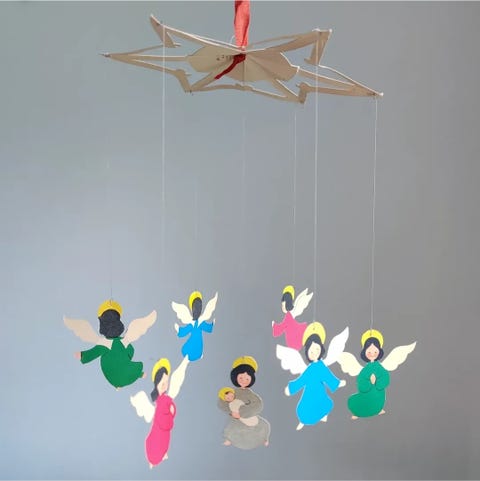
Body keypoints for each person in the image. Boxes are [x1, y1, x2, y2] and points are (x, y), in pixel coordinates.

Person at [285, 322, 345, 430]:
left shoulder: (321, 366)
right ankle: (303, 420)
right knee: (305, 407)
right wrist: (291, 388)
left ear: (321, 349)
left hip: (320, 391)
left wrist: (338, 383)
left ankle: (322, 415)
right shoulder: (309, 369)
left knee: (323, 403)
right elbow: (302, 380)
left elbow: (328, 377)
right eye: (311, 351)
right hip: (309, 392)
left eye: (317, 349)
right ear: (307, 352)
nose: (314, 352)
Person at [217, 356, 270, 449]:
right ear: (235, 377)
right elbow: (221, 402)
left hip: (248, 416)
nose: (243, 381)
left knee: (264, 425)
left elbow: (258, 404)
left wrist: (242, 412)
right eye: (241, 378)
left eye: (247, 379)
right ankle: (229, 439)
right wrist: (231, 412)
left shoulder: (250, 394)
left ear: (251, 379)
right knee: (232, 428)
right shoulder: (232, 392)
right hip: (236, 418)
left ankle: (264, 438)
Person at [347, 332, 390, 419]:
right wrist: (369, 382)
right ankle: (360, 412)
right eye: (369, 351)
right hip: (366, 395)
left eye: (375, 351)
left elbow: (385, 377)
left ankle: (377, 409)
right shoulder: (365, 369)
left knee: (359, 401)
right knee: (352, 401)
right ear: (365, 352)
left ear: (379, 351)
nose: (372, 354)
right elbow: (361, 383)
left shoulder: (379, 367)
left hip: (378, 397)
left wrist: (377, 382)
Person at [145, 359, 176, 468]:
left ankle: (161, 454)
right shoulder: (160, 402)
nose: (165, 385)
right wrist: (170, 413)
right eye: (162, 383)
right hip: (160, 431)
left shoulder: (165, 399)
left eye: (166, 382)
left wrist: (171, 411)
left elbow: (171, 410)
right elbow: (163, 421)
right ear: (157, 383)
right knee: (157, 442)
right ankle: (156, 458)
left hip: (163, 432)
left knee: (163, 442)